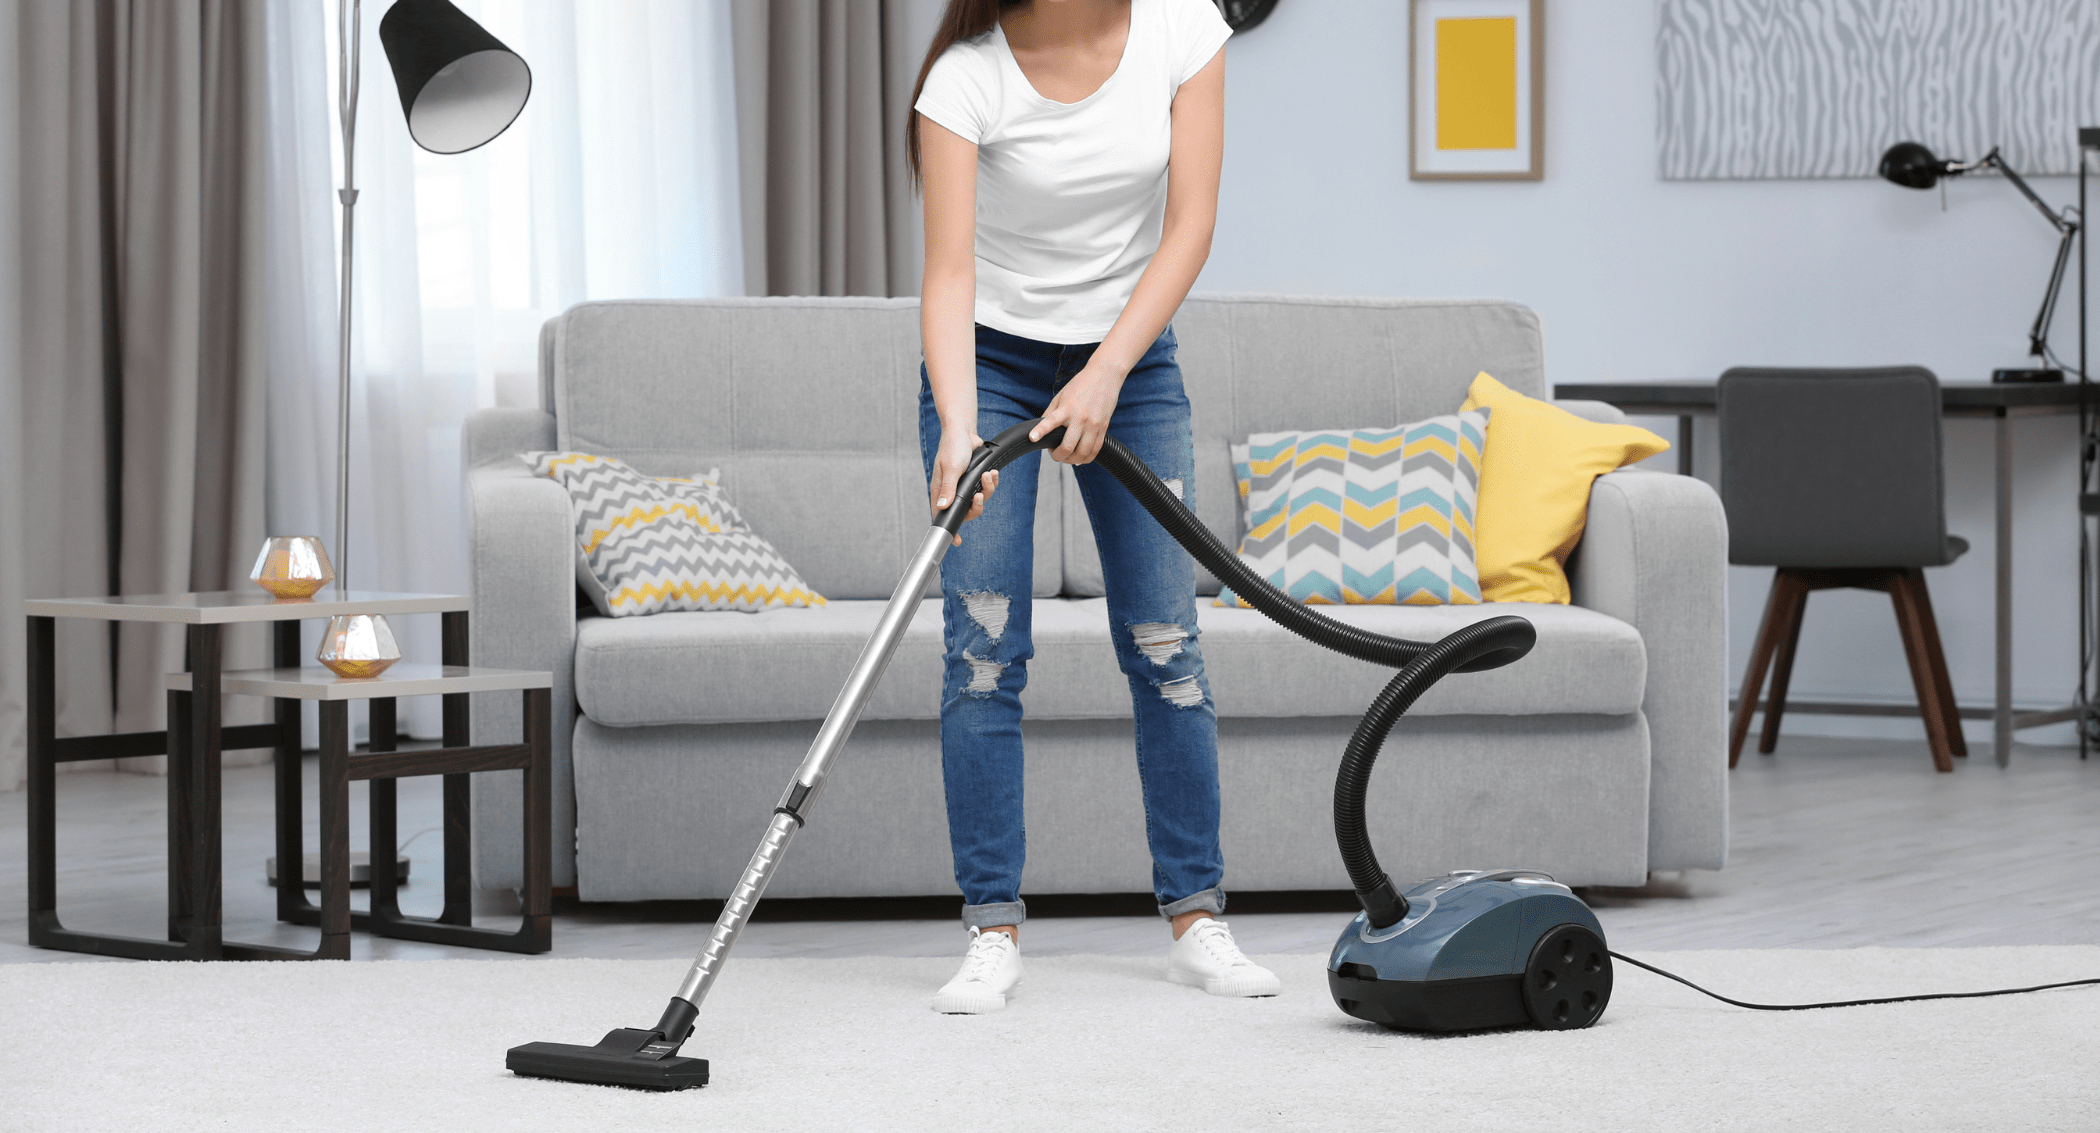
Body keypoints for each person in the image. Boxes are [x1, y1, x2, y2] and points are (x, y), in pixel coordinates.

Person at [911, 0, 1280, 1014]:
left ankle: (1197, 918)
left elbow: (1190, 224)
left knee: (1167, 642)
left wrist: (1110, 367)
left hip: (1133, 358)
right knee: (983, 650)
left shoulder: (1183, 30)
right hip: (988, 362)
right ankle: (992, 927)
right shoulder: (964, 81)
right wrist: (955, 427)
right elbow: (947, 273)